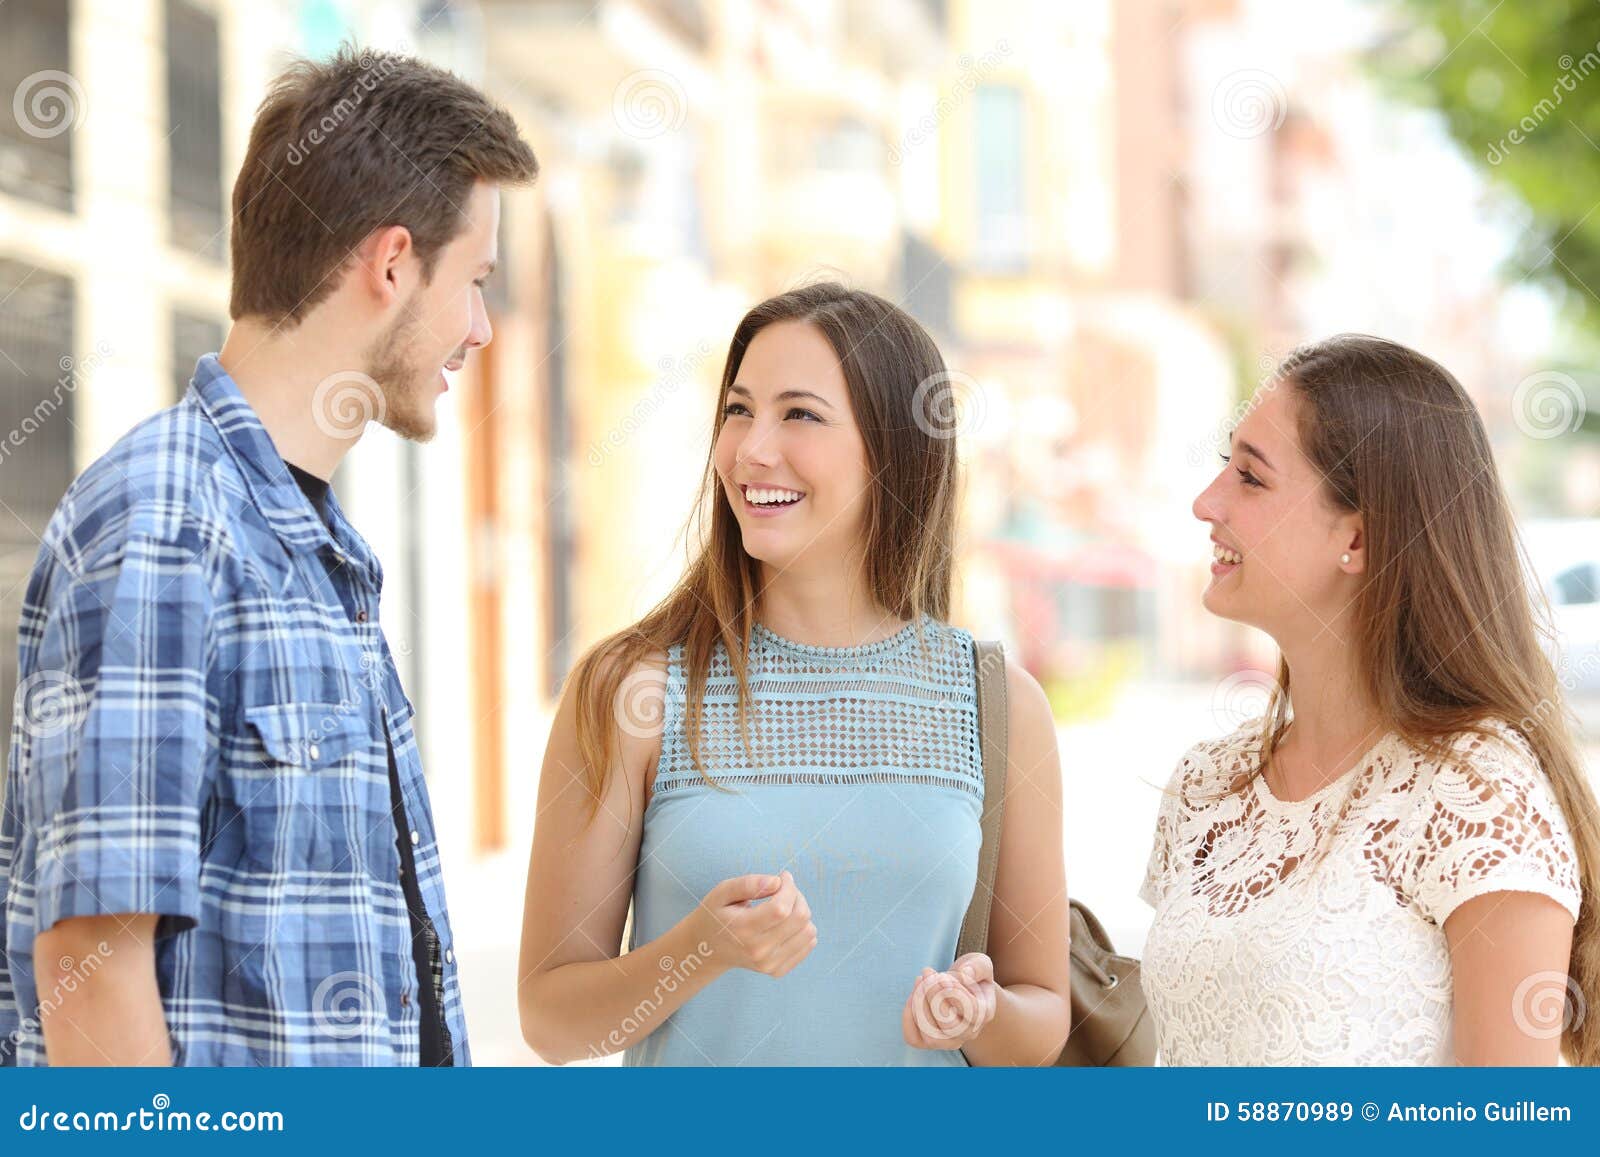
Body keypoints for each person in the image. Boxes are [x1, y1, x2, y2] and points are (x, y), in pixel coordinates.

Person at [0, 48, 537, 1066]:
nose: (479, 329)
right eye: (474, 283)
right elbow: (90, 971)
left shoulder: (319, 548)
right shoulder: (166, 521)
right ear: (391, 264)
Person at [516, 282, 1071, 1065]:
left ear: (894, 451)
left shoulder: (997, 703)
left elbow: (1043, 1015)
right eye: (739, 409)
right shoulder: (631, 692)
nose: (750, 449)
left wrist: (980, 1014)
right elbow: (552, 1021)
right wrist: (696, 952)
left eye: (799, 414)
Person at [1141, 334, 1597, 1065]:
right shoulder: (1206, 786)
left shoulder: (1478, 796)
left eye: (1251, 478)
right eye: (1223, 466)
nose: (1206, 501)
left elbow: (1511, 1125)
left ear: (1358, 535)